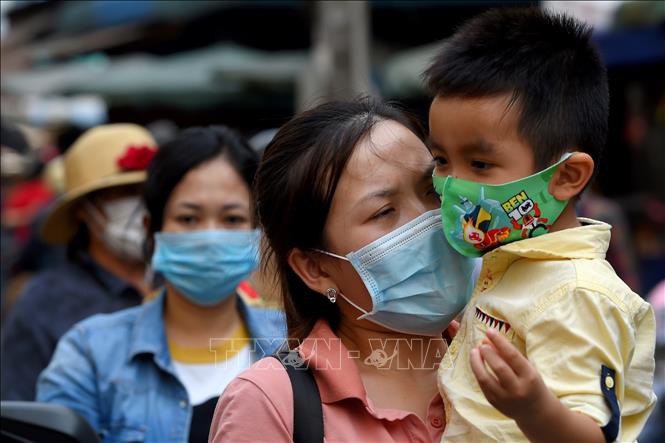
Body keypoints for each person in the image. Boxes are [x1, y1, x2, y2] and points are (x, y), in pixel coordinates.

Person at [424, 8, 656, 442]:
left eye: (480, 163)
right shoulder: (511, 264)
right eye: (440, 160)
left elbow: (593, 435)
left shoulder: (575, 293)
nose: (453, 184)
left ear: (566, 177)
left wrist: (533, 408)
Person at [209, 98, 478, 442]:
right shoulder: (269, 402)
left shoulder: (510, 353)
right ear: (315, 268)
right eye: (384, 211)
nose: (430, 221)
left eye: (433, 191)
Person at [37, 126, 286, 443]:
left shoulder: (298, 346)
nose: (209, 236)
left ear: (256, 230)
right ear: (151, 229)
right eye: (188, 218)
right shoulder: (90, 354)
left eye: (232, 219)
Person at [1, 123, 156, 401]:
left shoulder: (184, 284)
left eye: (147, 191)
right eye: (123, 192)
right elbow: (25, 415)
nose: (140, 205)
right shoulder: (44, 303)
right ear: (84, 210)